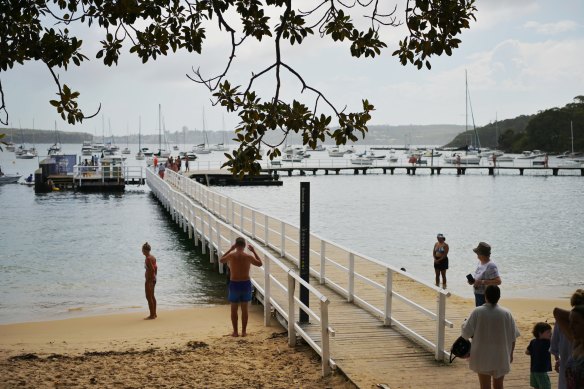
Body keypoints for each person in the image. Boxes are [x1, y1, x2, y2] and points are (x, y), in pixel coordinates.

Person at [461, 285, 520, 389]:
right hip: (501, 355)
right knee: (499, 385)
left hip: (482, 355)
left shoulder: (477, 311)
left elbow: (465, 333)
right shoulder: (506, 313)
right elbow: (513, 337)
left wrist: (464, 323)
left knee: (485, 386)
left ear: (485, 296)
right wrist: (510, 354)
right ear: (499, 297)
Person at [219, 237, 263, 337]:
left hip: (234, 284)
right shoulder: (248, 256)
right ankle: (243, 332)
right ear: (244, 246)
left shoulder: (231, 255)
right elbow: (260, 264)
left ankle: (235, 332)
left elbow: (221, 260)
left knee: (234, 309)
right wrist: (254, 251)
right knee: (245, 309)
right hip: (245, 284)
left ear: (236, 245)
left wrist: (230, 249)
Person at [553, 289, 584, 389]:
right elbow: (556, 311)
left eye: (575, 323)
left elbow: (557, 311)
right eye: (570, 322)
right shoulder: (577, 342)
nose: (571, 327)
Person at [468, 242, 501, 307]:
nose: (477, 255)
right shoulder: (480, 262)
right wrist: (473, 281)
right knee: (479, 312)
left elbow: (498, 281)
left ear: (482, 254)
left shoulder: (491, 266)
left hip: (485, 296)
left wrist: (481, 282)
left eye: (477, 253)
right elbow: (478, 277)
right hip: (478, 293)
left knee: (483, 314)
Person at [526, 322, 552, 389]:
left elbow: (527, 352)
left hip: (533, 370)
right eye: (548, 332)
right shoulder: (548, 342)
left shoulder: (533, 341)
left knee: (536, 387)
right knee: (546, 387)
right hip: (542, 371)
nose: (551, 334)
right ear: (540, 333)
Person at [142, 242, 158, 320]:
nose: (142, 251)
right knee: (152, 296)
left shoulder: (148, 259)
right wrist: (155, 277)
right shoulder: (153, 257)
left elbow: (152, 269)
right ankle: (154, 314)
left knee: (148, 297)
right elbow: (156, 268)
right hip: (153, 279)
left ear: (145, 250)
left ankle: (152, 315)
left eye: (142, 250)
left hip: (149, 280)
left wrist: (150, 280)